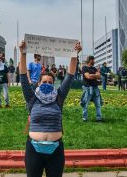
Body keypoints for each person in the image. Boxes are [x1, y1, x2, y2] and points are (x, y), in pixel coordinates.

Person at [19, 41, 82, 177]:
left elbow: (69, 76)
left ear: (54, 85)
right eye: (44, 82)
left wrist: (74, 55)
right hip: (33, 150)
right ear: (38, 83)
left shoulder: (59, 97)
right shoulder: (32, 98)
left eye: (50, 82)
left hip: (56, 151)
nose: (47, 84)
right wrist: (22, 53)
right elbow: (23, 76)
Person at [80, 56, 103, 122]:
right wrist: (94, 76)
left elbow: (99, 76)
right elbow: (88, 77)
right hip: (88, 88)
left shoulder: (94, 68)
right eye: (93, 60)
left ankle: (99, 118)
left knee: (98, 105)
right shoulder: (84, 68)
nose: (94, 61)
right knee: (85, 104)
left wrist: (92, 75)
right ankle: (85, 118)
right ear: (90, 60)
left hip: (95, 88)